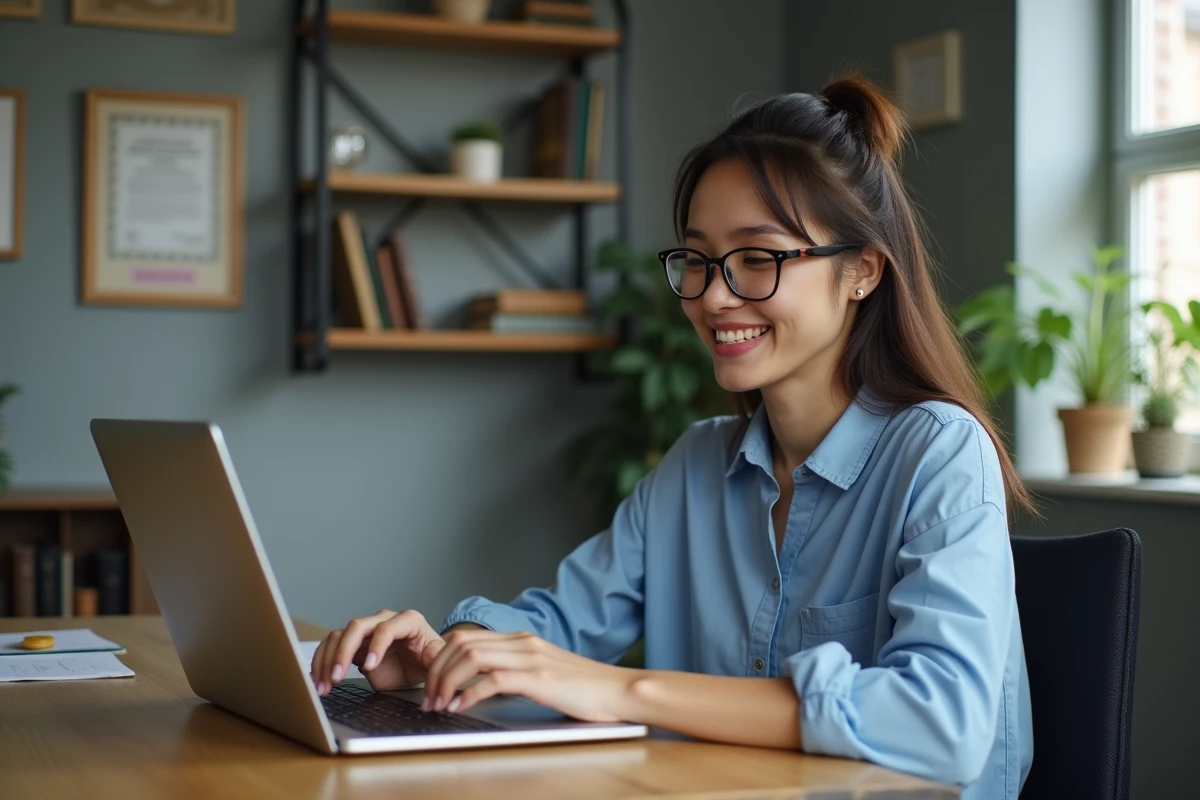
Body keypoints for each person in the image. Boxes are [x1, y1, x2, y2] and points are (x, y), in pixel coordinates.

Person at [310, 74, 1033, 799]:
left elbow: (942, 722)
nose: (716, 295)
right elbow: (560, 629)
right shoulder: (695, 466)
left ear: (861, 273)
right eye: (699, 259)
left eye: (758, 258)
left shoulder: (939, 452)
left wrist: (625, 693)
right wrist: (441, 654)